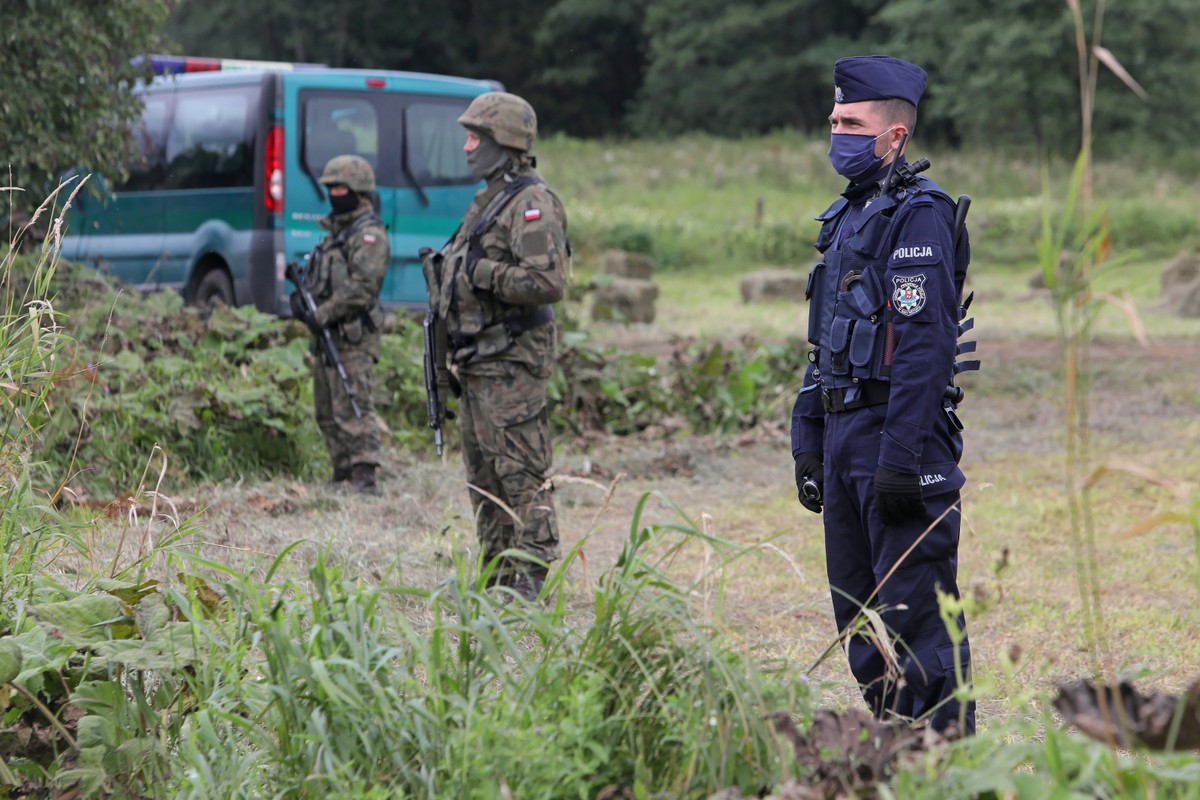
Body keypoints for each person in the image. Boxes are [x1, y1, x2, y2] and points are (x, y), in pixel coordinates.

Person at [790, 55, 977, 734]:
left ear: (894, 135)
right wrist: (807, 441)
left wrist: (901, 456)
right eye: (834, 119)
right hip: (845, 440)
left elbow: (925, 352)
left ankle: (948, 762)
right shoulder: (846, 217)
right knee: (860, 619)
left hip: (895, 438)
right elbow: (827, 341)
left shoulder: (919, 217)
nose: (835, 131)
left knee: (915, 616)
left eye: (851, 122)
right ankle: (899, 750)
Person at [421, 91, 569, 602]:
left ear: (503, 142)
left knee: (522, 471)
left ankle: (531, 579)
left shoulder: (531, 203)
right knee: (484, 476)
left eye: (474, 137)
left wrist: (481, 273)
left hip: (511, 361)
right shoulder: (491, 199)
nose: (465, 147)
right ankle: (497, 576)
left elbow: (547, 282)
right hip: (479, 362)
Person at [290, 154, 389, 495]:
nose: (334, 193)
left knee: (354, 404)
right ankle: (342, 471)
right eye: (330, 187)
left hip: (352, 336)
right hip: (327, 335)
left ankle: (365, 477)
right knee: (326, 408)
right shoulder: (334, 235)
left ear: (359, 190)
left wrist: (324, 313)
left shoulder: (368, 236)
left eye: (341, 187)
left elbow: (362, 287)